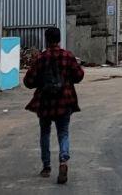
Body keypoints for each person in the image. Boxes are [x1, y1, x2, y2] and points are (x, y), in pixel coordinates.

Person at [24, 26, 85, 184]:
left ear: (46, 40)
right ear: (59, 39)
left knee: (45, 133)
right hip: (64, 101)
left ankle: (46, 166)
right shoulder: (68, 56)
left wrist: (41, 82)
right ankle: (63, 160)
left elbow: (28, 81)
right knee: (63, 132)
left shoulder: (40, 58)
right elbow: (79, 76)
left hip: (45, 102)